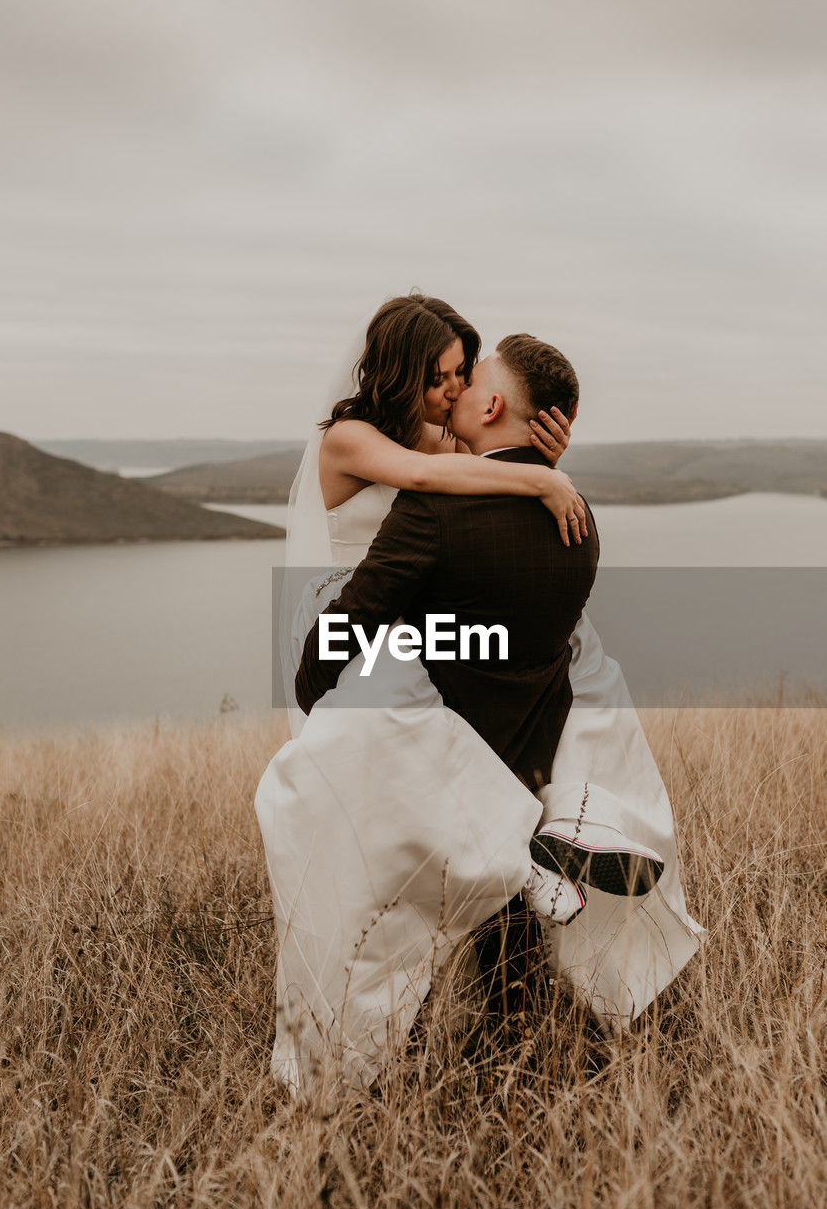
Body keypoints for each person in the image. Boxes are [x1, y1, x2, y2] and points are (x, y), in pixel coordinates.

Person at [256, 295, 703, 1096]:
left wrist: (541, 460)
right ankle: (552, 835)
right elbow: (441, 471)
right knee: (408, 709)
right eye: (440, 378)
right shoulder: (354, 438)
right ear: (403, 373)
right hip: (341, 612)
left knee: (543, 685)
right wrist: (540, 476)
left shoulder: (435, 436)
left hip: (399, 628)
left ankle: (541, 839)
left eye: (463, 377)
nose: (450, 394)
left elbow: (473, 458)